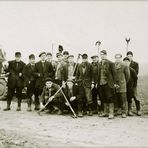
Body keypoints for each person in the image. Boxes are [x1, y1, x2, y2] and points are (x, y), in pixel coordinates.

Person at [98, 50, 116, 119]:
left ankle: (111, 113)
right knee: (103, 98)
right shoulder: (99, 63)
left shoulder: (111, 63)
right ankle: (105, 112)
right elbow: (98, 74)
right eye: (101, 54)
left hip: (108, 83)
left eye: (103, 54)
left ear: (106, 55)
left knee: (110, 98)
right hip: (101, 83)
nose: (102, 55)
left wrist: (114, 83)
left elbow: (114, 74)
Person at [114, 54, 130, 118]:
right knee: (116, 98)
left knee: (123, 99)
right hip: (115, 85)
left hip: (122, 84)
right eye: (116, 58)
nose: (117, 59)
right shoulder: (113, 65)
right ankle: (118, 111)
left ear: (121, 58)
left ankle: (124, 112)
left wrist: (123, 82)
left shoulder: (124, 65)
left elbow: (128, 76)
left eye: (119, 58)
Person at [127, 51, 141, 116]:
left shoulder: (135, 64)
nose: (129, 57)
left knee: (135, 96)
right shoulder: (125, 63)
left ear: (132, 56)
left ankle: (138, 110)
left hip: (133, 83)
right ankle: (129, 110)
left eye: (130, 56)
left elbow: (136, 73)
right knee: (129, 97)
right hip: (127, 84)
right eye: (128, 56)